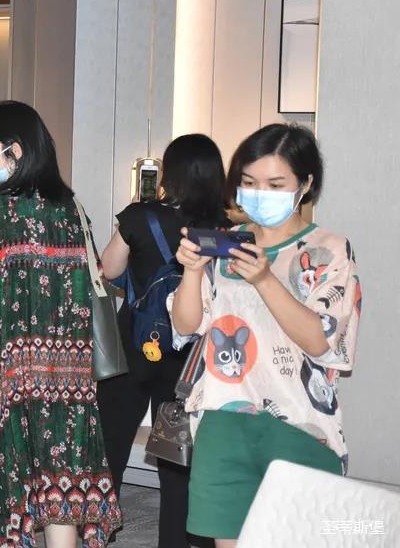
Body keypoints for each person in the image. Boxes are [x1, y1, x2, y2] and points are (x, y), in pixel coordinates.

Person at [171, 123, 361, 547]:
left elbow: (319, 340)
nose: (260, 193)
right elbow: (185, 326)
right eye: (250, 182)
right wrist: (192, 270)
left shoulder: (329, 250)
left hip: (299, 425)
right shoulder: (223, 245)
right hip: (222, 421)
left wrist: (264, 279)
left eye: (275, 185)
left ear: (305, 184)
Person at [0, 101, 122, 548]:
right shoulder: (71, 208)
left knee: (8, 477)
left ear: (13, 150)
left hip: (10, 373)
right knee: (60, 478)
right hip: (69, 372)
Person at [97, 134, 229, 548]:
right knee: (177, 461)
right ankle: (176, 540)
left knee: (111, 443)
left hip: (135, 349)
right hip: (190, 358)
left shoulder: (140, 216)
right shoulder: (225, 230)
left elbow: (108, 268)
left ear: (169, 173)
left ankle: (96, 531)